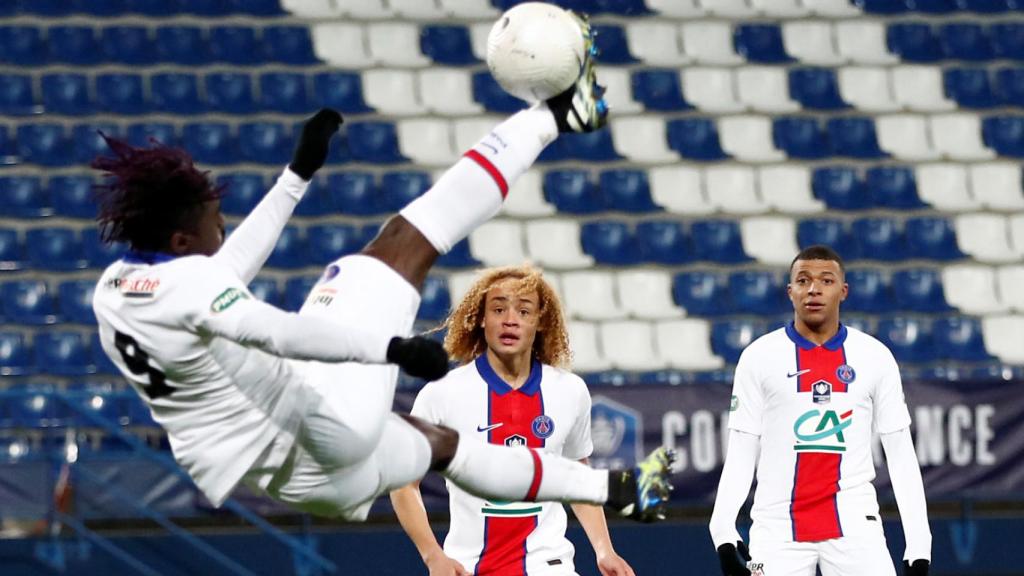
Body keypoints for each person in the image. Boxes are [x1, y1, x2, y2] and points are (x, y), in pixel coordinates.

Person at [91, 15, 673, 531]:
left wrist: (296, 176)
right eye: (216, 223)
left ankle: (617, 490)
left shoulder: (114, 290)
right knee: (407, 239)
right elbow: (279, 334)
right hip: (319, 431)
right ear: (180, 240)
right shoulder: (188, 286)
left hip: (294, 476)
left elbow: (222, 272)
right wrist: (391, 350)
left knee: (447, 447)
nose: (223, 231)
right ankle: (556, 116)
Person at [391, 265, 635, 576]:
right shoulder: (441, 394)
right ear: (481, 318)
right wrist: (433, 556)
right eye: (498, 309)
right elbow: (403, 484)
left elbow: (576, 471)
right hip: (469, 568)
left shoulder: (569, 391)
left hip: (550, 566)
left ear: (540, 321)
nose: (510, 319)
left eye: (523, 310)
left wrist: (604, 549)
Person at [709, 245, 931, 576]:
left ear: (843, 291)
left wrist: (919, 544)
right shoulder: (758, 357)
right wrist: (723, 530)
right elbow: (742, 450)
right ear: (790, 291)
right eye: (803, 280)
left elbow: (900, 455)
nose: (814, 289)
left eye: (826, 280)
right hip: (777, 525)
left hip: (855, 524)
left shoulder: (874, 357)